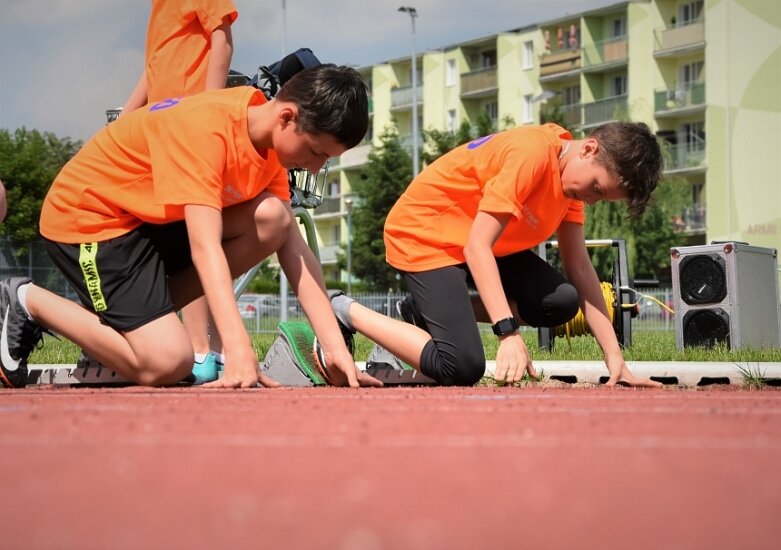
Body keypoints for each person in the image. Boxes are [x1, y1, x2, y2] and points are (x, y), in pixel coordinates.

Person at [0, 64, 380, 390]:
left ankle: (133, 328)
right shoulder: (210, 129)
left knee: (274, 219)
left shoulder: (268, 149)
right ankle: (26, 300)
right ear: (287, 117)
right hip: (90, 220)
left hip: (146, 221)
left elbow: (293, 247)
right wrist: (236, 346)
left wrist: (334, 348)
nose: (314, 168)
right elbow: (204, 246)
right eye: (317, 153)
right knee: (168, 363)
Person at [328, 121, 664, 388]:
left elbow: (578, 266)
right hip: (426, 233)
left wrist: (615, 359)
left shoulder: (571, 185)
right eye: (596, 189)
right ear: (590, 149)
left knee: (560, 301)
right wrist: (508, 334)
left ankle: (421, 311)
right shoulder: (532, 154)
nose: (592, 200)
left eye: (602, 198)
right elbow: (477, 247)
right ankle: (342, 309)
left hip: (479, 241)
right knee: (461, 366)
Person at [121, 0, 238, 383]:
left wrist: (206, 111)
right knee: (181, 241)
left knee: (194, 242)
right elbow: (154, 68)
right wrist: (124, 121)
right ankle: (209, 351)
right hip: (163, 128)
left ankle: (204, 351)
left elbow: (222, 41)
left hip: (188, 127)